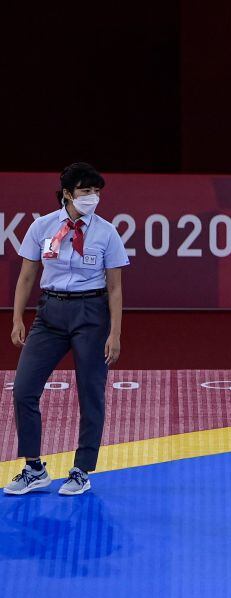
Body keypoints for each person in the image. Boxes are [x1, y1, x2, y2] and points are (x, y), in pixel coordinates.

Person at [5, 163, 129, 497]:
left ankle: (81, 470)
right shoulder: (42, 227)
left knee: (91, 393)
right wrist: (18, 318)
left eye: (97, 191)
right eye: (86, 191)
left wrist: (115, 333)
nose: (93, 197)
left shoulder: (107, 232)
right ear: (67, 193)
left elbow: (115, 288)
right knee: (24, 389)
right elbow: (28, 275)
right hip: (50, 314)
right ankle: (34, 467)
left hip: (91, 313)